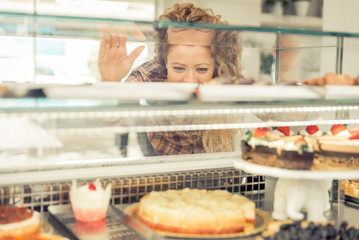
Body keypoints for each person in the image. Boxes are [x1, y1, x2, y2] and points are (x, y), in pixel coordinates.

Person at [98, 3, 243, 156]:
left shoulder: (224, 77)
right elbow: (110, 120)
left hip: (214, 173)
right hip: (161, 165)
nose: (189, 80)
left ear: (215, 66)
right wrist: (110, 79)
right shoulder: (151, 72)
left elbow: (268, 113)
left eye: (201, 69)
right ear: (165, 60)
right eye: (179, 68)